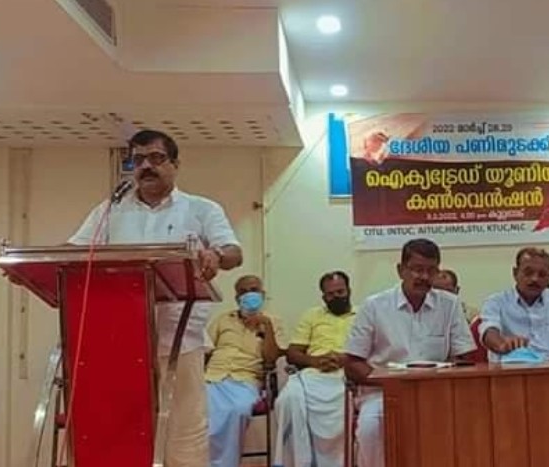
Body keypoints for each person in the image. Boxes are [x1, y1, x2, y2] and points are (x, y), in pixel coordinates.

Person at [68, 129, 242, 466]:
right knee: (122, 435)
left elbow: (234, 252)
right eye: (138, 160)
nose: (146, 166)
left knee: (184, 439)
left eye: (156, 158)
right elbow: (75, 251)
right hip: (120, 342)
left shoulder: (201, 209)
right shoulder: (110, 210)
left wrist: (216, 255)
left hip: (179, 341)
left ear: (175, 164)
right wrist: (31, 264)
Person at [344, 239, 476, 467]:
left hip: (434, 393)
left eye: (431, 270)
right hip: (382, 394)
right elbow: (352, 362)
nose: (424, 277)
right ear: (400, 270)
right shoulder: (374, 306)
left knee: (468, 423)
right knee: (370, 427)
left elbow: (463, 358)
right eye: (417, 269)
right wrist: (391, 384)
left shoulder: (450, 305)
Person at [274, 271, 356, 467]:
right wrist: (315, 361)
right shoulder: (312, 315)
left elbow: (375, 350)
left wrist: (344, 359)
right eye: (330, 294)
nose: (336, 297)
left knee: (349, 401)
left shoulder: (364, 314)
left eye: (340, 292)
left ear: (349, 291)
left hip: (349, 373)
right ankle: (300, 461)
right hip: (314, 372)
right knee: (287, 399)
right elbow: (292, 353)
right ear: (324, 297)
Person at [205, 275, 284, 467]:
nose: (249, 294)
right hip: (212, 377)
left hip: (245, 379)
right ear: (237, 298)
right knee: (199, 411)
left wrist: (266, 327)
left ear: (262, 294)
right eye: (244, 291)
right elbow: (205, 350)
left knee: (238, 410)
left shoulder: (273, 322)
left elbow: (271, 359)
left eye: (254, 290)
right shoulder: (223, 319)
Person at [478, 247, 549, 361]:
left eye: (542, 274)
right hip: (510, 369)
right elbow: (489, 331)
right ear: (515, 273)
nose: (535, 279)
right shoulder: (496, 302)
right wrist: (502, 345)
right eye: (528, 273)